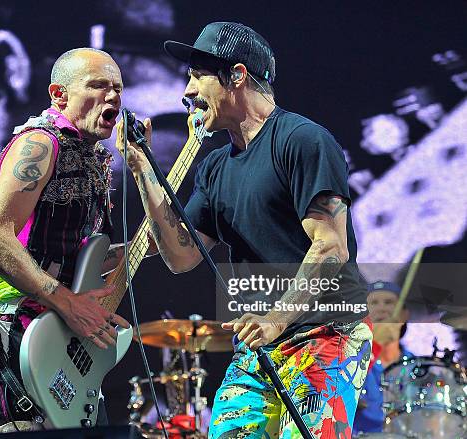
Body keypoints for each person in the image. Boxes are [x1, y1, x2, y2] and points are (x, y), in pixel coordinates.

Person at [117, 22, 373, 438]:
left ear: (236, 75)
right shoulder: (216, 168)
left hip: (325, 333)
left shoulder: (303, 140)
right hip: (259, 345)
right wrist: (142, 168)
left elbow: (330, 248)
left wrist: (275, 319)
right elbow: (182, 256)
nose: (187, 91)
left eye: (197, 74)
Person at [0, 48, 132, 434]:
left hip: (62, 339)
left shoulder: (95, 157)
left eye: (118, 88)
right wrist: (67, 302)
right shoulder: (39, 145)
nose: (113, 96)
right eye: (98, 85)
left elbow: (79, 256)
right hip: (9, 331)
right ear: (59, 95)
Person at [353, 281, 411, 434]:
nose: (381, 308)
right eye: (373, 303)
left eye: (389, 302)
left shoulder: (421, 369)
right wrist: (376, 344)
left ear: (404, 314)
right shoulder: (350, 362)